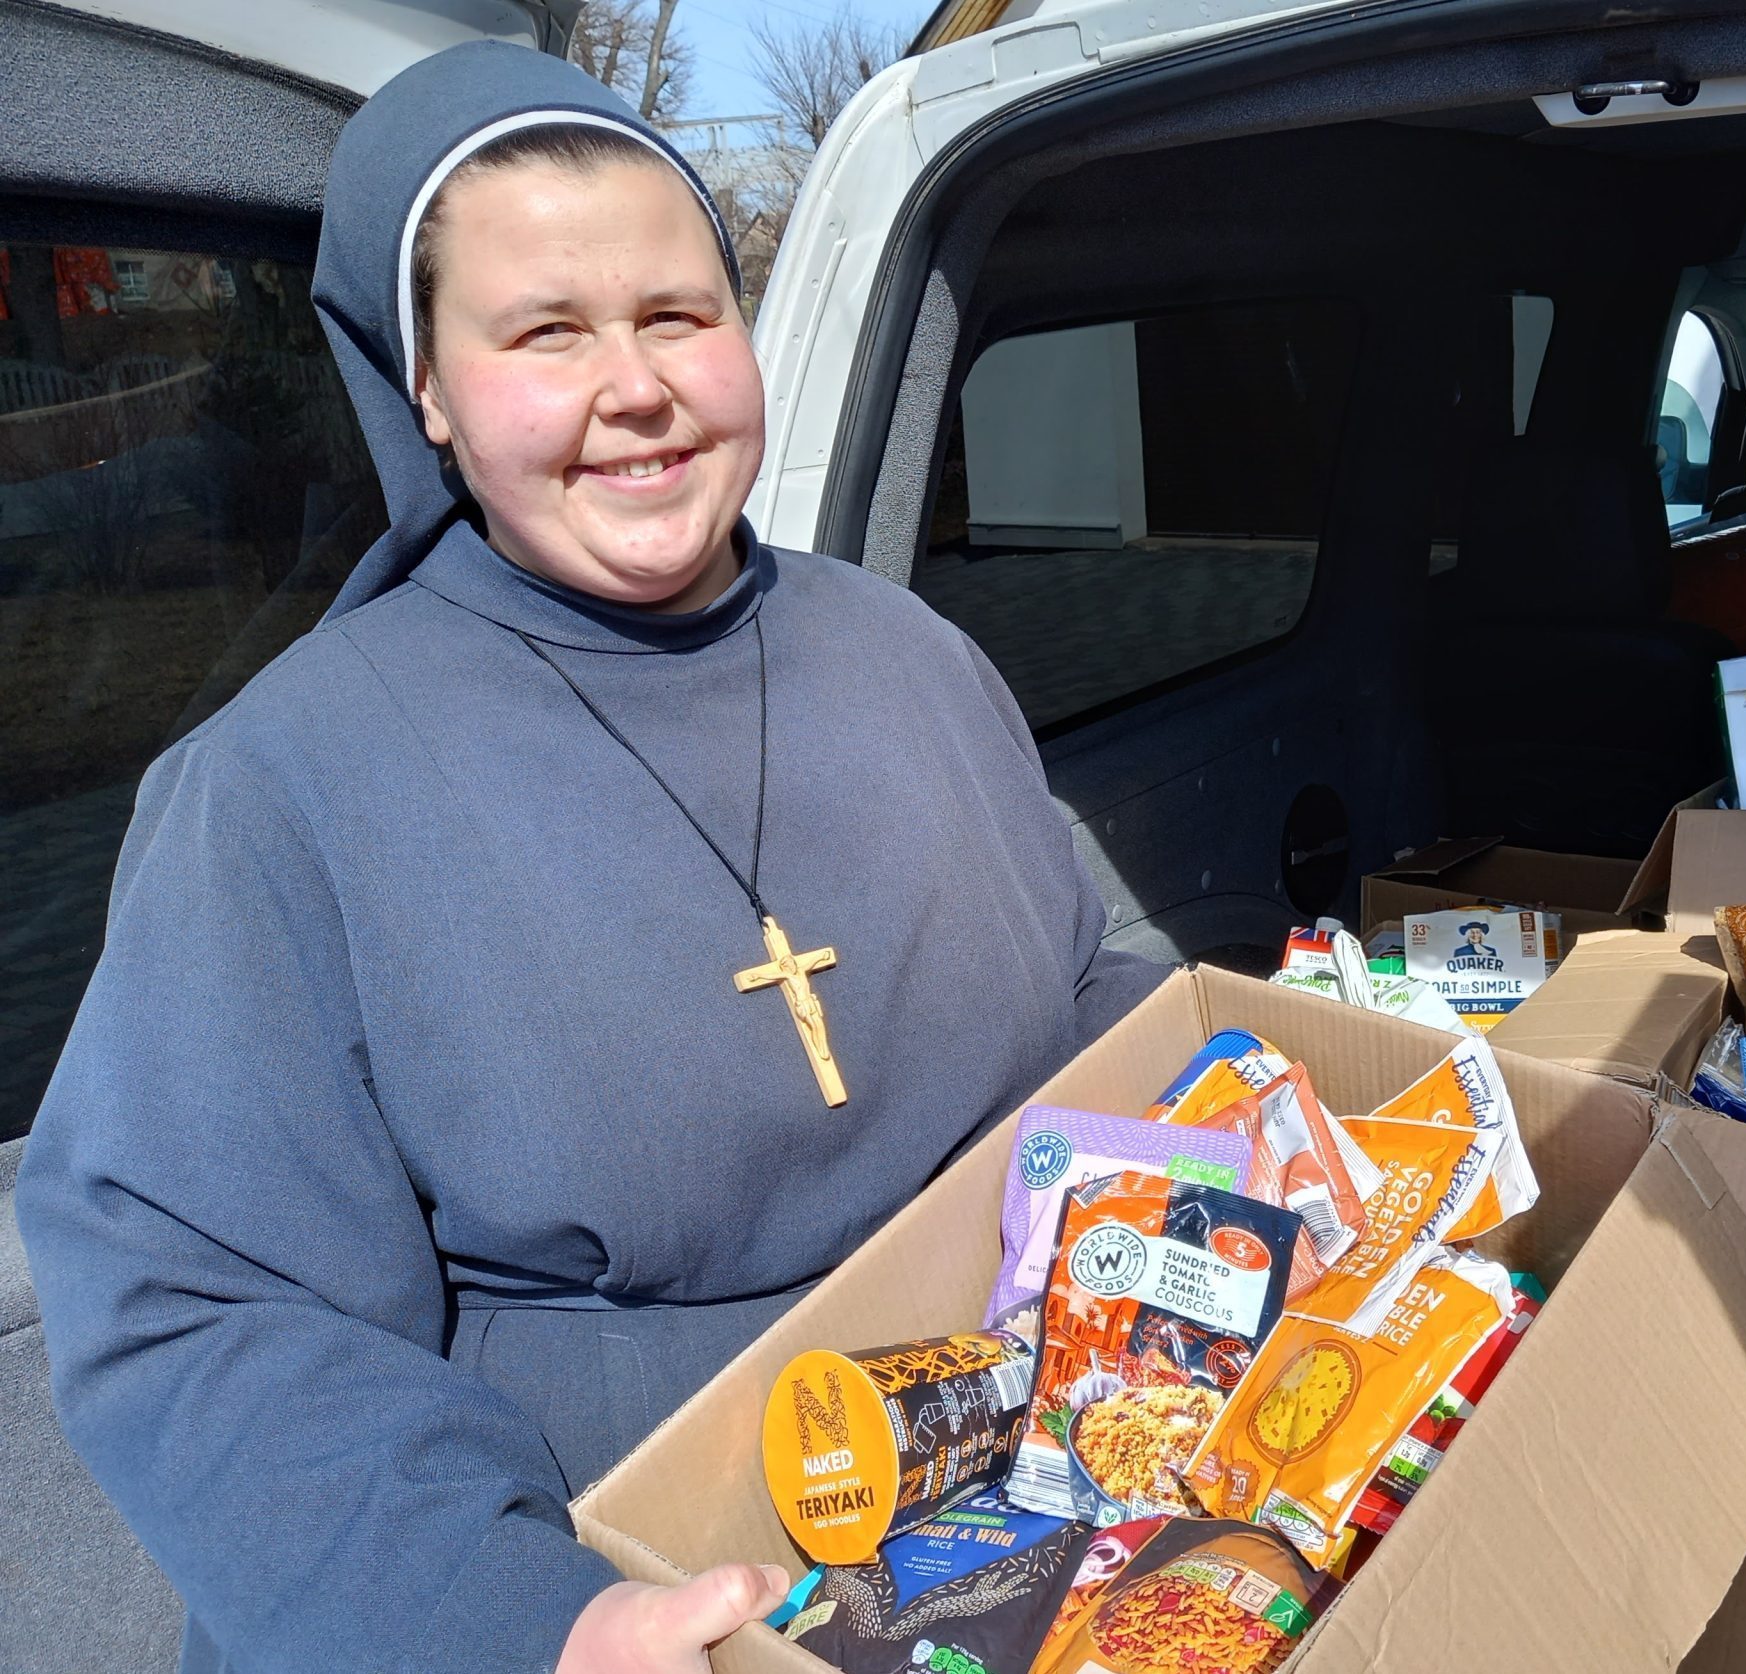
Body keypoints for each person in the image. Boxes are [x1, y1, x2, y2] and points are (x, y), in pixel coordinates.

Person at [15, 41, 1163, 1674]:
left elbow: (1089, 989)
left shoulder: (909, 653)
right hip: (626, 1589)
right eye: (546, 332)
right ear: (424, 387)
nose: (636, 385)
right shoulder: (279, 790)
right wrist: (531, 1622)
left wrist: (1266, 1090)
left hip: (1031, 1517)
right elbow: (201, 1316)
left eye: (678, 316)